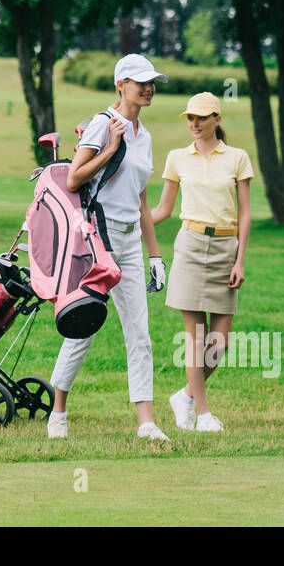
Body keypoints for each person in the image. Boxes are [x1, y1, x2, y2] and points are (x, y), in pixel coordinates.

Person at [47, 53, 171, 443]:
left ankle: (146, 423)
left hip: (131, 240)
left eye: (151, 82)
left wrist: (155, 256)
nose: (148, 88)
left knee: (140, 334)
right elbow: (73, 179)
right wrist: (110, 146)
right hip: (98, 241)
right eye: (140, 82)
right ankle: (58, 412)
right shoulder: (102, 125)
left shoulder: (145, 135)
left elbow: (143, 202)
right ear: (121, 86)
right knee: (83, 328)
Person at [149, 92, 253, 433]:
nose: (194, 123)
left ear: (217, 120)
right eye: (190, 118)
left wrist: (240, 260)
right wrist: (125, 222)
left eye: (201, 118)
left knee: (219, 343)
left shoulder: (237, 158)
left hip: (226, 248)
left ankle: (185, 395)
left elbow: (244, 213)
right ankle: (203, 413)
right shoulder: (178, 158)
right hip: (190, 246)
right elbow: (163, 210)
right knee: (195, 338)